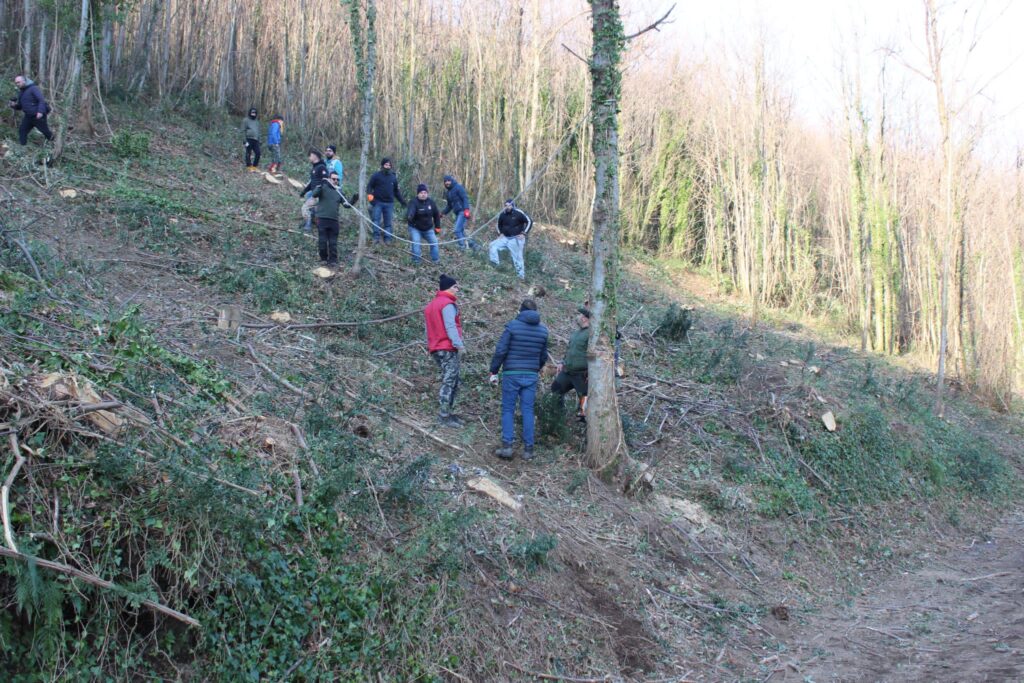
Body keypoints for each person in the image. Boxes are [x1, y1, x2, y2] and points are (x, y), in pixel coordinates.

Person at [489, 299, 549, 461]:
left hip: (512, 373)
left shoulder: (512, 326)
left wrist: (494, 370)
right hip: (531, 375)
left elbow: (501, 350)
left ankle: (507, 446)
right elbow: (543, 356)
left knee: (508, 409)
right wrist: (535, 368)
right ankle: (528, 449)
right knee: (528, 410)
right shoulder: (543, 330)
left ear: (520, 311)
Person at [424, 275, 466, 427]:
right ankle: (443, 415)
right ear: (448, 287)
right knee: (450, 381)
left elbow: (427, 329)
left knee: (451, 379)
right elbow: (450, 326)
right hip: (447, 347)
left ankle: (448, 413)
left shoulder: (430, 306)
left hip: (435, 348)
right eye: (456, 287)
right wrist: (459, 344)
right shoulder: (447, 304)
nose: (457, 290)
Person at [551, 307, 591, 421]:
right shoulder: (576, 333)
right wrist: (562, 362)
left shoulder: (591, 334)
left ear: (584, 318)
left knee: (584, 397)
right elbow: (569, 351)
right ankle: (559, 415)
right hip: (567, 371)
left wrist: (590, 372)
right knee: (556, 389)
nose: (577, 317)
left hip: (581, 374)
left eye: (579, 315)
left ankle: (583, 420)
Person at [311, 171, 352, 266]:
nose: (336, 181)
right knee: (322, 240)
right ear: (329, 179)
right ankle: (323, 258)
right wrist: (321, 184)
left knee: (333, 242)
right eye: (333, 179)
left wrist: (354, 199)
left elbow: (346, 204)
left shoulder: (339, 191)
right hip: (322, 219)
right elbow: (314, 194)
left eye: (337, 179)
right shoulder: (323, 187)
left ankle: (333, 260)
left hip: (334, 220)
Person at [489, 199, 533, 279]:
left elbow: (529, 221)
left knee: (517, 258)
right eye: (506, 205)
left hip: (516, 239)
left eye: (509, 205)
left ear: (513, 205)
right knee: (492, 245)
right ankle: (496, 267)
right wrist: (500, 233)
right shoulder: (502, 214)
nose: (507, 207)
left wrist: (524, 233)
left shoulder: (519, 213)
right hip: (505, 238)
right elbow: (498, 224)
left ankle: (520, 277)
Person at [366, 158, 407, 243]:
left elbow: (396, 191)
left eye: (389, 165)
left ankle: (387, 238)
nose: (388, 166)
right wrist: (370, 196)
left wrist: (402, 201)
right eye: (386, 165)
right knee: (376, 220)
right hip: (377, 202)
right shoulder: (376, 175)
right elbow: (369, 186)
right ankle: (375, 237)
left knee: (388, 223)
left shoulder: (393, 177)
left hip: (389, 204)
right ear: (382, 165)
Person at [9, 76, 53, 146]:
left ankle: (54, 144)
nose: (17, 84)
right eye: (16, 83)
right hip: (28, 116)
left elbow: (41, 100)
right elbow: (20, 106)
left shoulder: (33, 88)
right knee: (22, 130)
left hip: (37, 116)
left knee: (45, 131)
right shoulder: (21, 92)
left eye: (18, 82)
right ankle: (22, 147)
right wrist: (13, 105)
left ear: (24, 81)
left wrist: (40, 112)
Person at [406, 183, 441, 264]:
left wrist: (438, 227)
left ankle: (435, 260)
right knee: (416, 242)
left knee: (434, 242)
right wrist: (410, 215)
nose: (423, 194)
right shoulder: (413, 202)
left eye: (425, 193)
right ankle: (416, 261)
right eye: (421, 193)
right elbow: (411, 210)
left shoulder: (431, 202)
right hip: (415, 228)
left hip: (428, 229)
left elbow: (436, 215)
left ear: (427, 194)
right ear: (418, 194)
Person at [299, 149, 329, 232]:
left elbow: (325, 181)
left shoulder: (322, 167)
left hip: (318, 194)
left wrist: (319, 193)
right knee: (312, 208)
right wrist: (303, 192)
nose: (309, 157)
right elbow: (312, 182)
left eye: (310, 155)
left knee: (305, 208)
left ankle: (308, 225)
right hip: (312, 193)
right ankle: (310, 221)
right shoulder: (314, 168)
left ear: (315, 156)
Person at [441, 175, 472, 250]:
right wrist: (442, 213)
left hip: (463, 211)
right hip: (458, 213)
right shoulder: (448, 193)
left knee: (457, 230)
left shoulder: (458, 187)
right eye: (445, 181)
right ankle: (474, 246)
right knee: (461, 231)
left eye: (448, 180)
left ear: (451, 180)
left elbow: (465, 198)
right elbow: (449, 206)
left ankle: (462, 247)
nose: (447, 182)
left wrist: (466, 209)